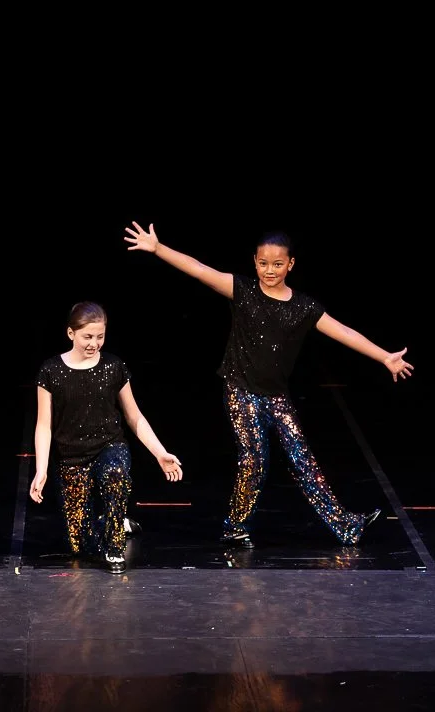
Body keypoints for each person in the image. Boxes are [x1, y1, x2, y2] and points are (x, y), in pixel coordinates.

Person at [124, 221, 413, 548]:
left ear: (290, 264)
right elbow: (200, 269)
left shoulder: (304, 307)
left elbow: (344, 332)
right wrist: (158, 248)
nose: (269, 270)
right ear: (254, 261)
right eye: (263, 263)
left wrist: (384, 357)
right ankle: (234, 526)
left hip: (276, 397)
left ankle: (345, 526)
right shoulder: (243, 291)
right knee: (255, 460)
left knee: (303, 459)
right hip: (241, 391)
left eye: (277, 264)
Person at [28, 301, 184, 574]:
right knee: (78, 544)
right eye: (87, 336)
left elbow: (134, 417)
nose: (94, 343)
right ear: (70, 334)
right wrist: (41, 469)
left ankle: (115, 547)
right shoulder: (51, 371)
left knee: (115, 474)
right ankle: (116, 522)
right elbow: (44, 425)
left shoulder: (113, 367)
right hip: (71, 456)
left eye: (99, 337)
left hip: (108, 445)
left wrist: (160, 452)